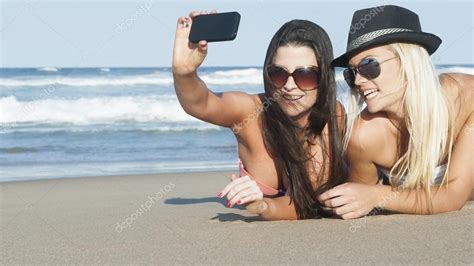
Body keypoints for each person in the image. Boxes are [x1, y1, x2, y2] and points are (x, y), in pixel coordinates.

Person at [172, 11, 345, 220]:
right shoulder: (250, 112)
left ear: (324, 77)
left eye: (305, 75)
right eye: (279, 74)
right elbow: (200, 103)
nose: (289, 87)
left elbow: (306, 203)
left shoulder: (331, 116)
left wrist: (262, 206)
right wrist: (184, 73)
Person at [319, 5, 473, 219]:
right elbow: (358, 203)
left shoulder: (466, 99)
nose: (359, 81)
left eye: (369, 65)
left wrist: (379, 195)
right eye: (351, 74)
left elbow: (453, 196)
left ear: (408, 60)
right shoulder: (364, 136)